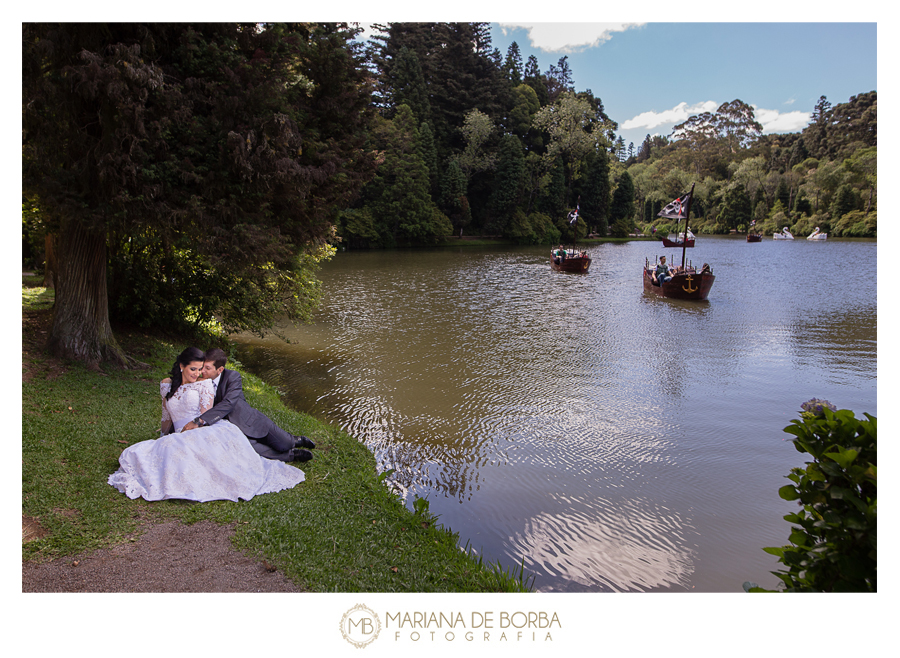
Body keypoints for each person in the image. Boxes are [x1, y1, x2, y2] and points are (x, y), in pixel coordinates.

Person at [108, 347, 305, 502]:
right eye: (193, 369)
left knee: (271, 445)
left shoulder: (208, 384)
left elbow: (208, 412)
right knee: (143, 453)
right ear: (181, 366)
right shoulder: (166, 384)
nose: (198, 374)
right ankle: (289, 453)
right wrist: (162, 436)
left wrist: (195, 425)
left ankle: (294, 443)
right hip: (180, 433)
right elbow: (166, 415)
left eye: (201, 369)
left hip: (206, 428)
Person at [179, 348, 315, 463]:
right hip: (227, 431)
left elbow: (229, 403)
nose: (202, 371)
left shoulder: (232, 377)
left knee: (284, 443)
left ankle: (295, 440)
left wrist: (199, 420)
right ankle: (292, 455)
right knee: (254, 450)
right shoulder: (197, 378)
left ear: (219, 369)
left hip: (250, 420)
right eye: (202, 367)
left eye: (207, 368)